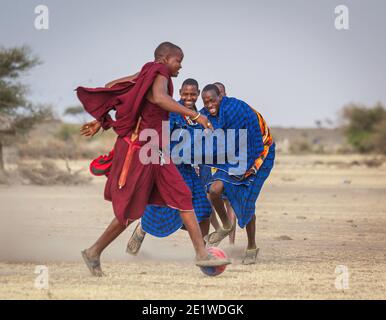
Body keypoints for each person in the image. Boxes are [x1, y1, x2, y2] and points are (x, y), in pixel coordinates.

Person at [76, 42, 231, 276]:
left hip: (156, 153)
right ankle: (93, 252)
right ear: (165, 59)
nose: (180, 65)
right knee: (131, 209)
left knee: (181, 196)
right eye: (178, 60)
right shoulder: (158, 72)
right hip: (142, 151)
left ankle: (201, 254)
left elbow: (113, 86)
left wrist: (102, 119)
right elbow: (159, 98)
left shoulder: (146, 73)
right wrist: (194, 114)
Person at [126, 78, 212, 254]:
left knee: (203, 210)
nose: (189, 97)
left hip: (190, 171)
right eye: (186, 93)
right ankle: (142, 227)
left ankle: (204, 252)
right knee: (160, 210)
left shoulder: (202, 117)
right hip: (171, 168)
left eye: (193, 94)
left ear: (198, 94)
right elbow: (161, 137)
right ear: (180, 93)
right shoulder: (173, 112)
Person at [199, 84, 275, 265]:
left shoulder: (236, 110)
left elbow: (248, 142)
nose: (210, 104)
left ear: (223, 97)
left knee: (244, 201)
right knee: (214, 190)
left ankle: (251, 246)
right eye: (206, 100)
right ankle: (226, 225)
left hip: (258, 154)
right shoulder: (208, 113)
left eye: (214, 98)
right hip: (233, 155)